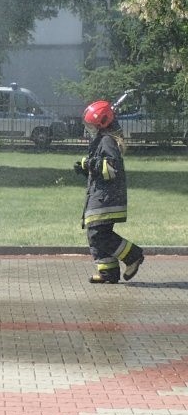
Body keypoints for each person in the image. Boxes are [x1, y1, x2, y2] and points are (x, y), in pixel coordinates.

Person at [74, 100, 144, 284]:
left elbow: (112, 168)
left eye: (92, 126)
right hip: (101, 196)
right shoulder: (102, 140)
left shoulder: (107, 140)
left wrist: (89, 164)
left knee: (99, 234)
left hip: (107, 199)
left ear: (102, 124)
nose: (89, 129)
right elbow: (101, 169)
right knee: (94, 234)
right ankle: (108, 272)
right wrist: (86, 168)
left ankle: (133, 255)